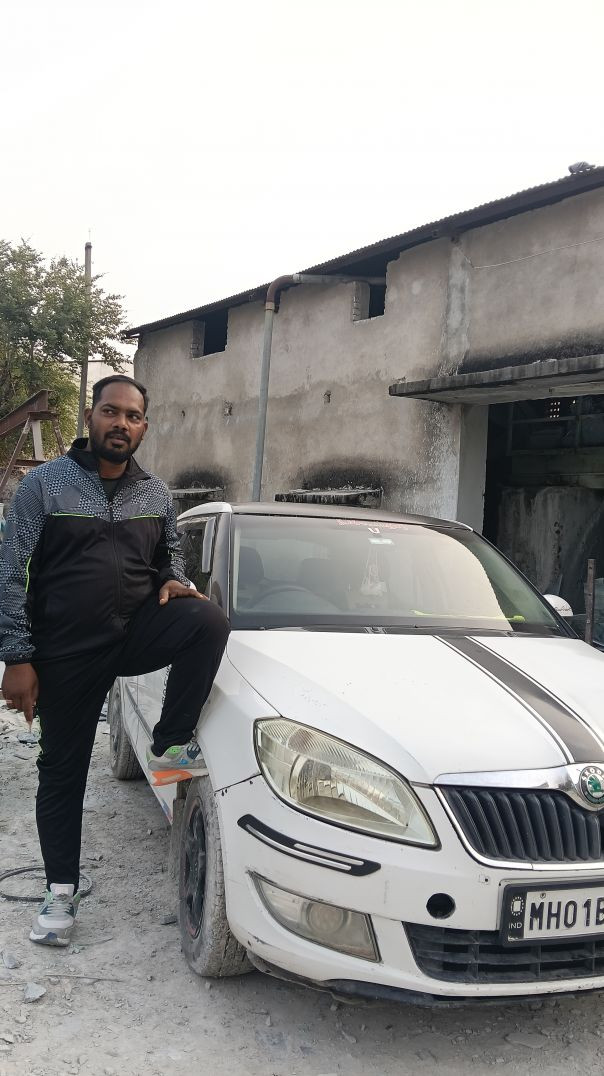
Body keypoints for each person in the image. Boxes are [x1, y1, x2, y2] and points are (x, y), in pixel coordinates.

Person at [0, 375, 230, 947]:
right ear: (91, 416)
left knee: (206, 620)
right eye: (111, 412)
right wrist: (17, 657)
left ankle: (169, 742)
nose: (121, 423)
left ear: (144, 427)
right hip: (66, 652)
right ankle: (60, 890)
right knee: (62, 772)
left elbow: (170, 554)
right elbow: (11, 574)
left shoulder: (154, 494)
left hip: (132, 635)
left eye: (132, 416)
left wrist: (174, 579)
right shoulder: (44, 487)